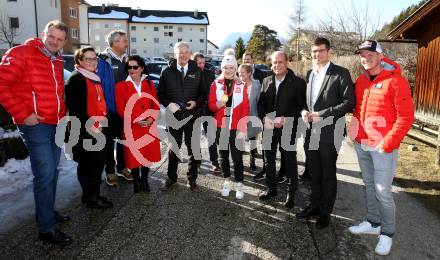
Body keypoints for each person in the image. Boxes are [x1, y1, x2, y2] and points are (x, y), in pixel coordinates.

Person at [0, 20, 72, 245]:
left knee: (54, 170)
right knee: (45, 174)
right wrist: (23, 114)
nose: (55, 42)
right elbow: (2, 85)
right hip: (35, 125)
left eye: (60, 39)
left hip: (55, 123)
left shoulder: (58, 58)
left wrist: (64, 114)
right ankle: (46, 228)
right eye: (52, 37)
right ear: (43, 34)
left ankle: (46, 212)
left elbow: (57, 91)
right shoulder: (21, 53)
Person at [348, 40, 414, 256]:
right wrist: (355, 133)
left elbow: (405, 117)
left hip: (383, 146)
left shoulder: (396, 81)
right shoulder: (360, 81)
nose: (365, 58)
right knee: (368, 185)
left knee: (383, 190)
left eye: (369, 54)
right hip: (363, 143)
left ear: (380, 55)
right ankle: (373, 222)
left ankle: (387, 233)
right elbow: (358, 111)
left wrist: (389, 143)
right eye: (362, 55)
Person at [296, 37, 355, 229]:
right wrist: (304, 111)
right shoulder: (310, 74)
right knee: (313, 171)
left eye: (320, 50)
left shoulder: (341, 73)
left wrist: (322, 114)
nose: (316, 54)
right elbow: (307, 102)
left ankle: (325, 213)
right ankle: (314, 205)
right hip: (311, 130)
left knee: (327, 173)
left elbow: (348, 102)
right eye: (314, 51)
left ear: (329, 52)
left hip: (331, 130)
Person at [65, 47, 113, 210]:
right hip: (86, 132)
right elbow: (76, 110)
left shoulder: (93, 77)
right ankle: (91, 197)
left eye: (94, 59)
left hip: (97, 128)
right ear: (79, 61)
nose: (92, 62)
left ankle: (93, 194)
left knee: (96, 164)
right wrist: (91, 128)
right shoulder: (77, 79)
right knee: (89, 165)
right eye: (88, 59)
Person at [257, 51, 306, 208]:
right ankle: (271, 189)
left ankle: (291, 194)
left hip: (288, 127)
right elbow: (261, 104)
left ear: (287, 63)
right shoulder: (266, 81)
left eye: (280, 62)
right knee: (268, 160)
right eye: (274, 63)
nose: (277, 65)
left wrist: (285, 119)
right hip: (269, 128)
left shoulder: (298, 83)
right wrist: (264, 117)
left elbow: (301, 106)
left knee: (290, 162)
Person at [158, 41, 205, 191]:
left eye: (186, 52)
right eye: (180, 52)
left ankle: (192, 179)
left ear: (190, 54)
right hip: (174, 117)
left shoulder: (197, 71)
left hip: (192, 116)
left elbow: (204, 94)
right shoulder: (166, 72)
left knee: (194, 149)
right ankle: (171, 178)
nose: (183, 55)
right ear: (175, 54)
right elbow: (160, 94)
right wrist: (168, 104)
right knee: (174, 148)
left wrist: (196, 102)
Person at [115, 55, 161, 193]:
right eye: (129, 67)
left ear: (141, 68)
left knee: (147, 155)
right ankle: (136, 180)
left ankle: (145, 179)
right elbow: (120, 108)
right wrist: (135, 119)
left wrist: (151, 119)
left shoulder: (149, 84)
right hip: (132, 127)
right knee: (134, 156)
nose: (132, 69)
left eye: (135, 67)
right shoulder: (120, 86)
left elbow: (155, 105)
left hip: (148, 126)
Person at [208, 56, 249, 199]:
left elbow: (245, 107)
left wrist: (243, 129)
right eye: (226, 67)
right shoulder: (215, 84)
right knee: (223, 157)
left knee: (237, 158)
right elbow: (211, 105)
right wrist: (217, 104)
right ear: (222, 68)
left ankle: (239, 185)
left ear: (235, 68)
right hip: (221, 127)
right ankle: (226, 181)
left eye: (231, 67)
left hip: (236, 128)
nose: (229, 70)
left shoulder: (241, 84)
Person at [97, 30, 131, 186]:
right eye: (124, 41)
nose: (126, 43)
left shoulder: (127, 60)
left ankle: (122, 168)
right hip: (109, 110)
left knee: (124, 140)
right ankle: (110, 172)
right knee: (108, 143)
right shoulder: (103, 61)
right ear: (115, 43)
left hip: (125, 109)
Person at [192, 52, 220, 172]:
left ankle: (214, 162)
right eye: (199, 63)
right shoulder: (190, 74)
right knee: (195, 137)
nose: (201, 65)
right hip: (194, 110)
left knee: (211, 137)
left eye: (203, 63)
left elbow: (213, 91)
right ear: (194, 63)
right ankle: (197, 161)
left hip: (208, 110)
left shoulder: (210, 74)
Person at [238, 64, 262, 171]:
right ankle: (239, 162)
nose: (240, 74)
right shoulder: (237, 85)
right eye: (239, 72)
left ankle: (252, 161)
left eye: (243, 72)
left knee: (252, 140)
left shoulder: (257, 85)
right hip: (240, 118)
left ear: (249, 73)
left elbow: (259, 101)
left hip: (253, 115)